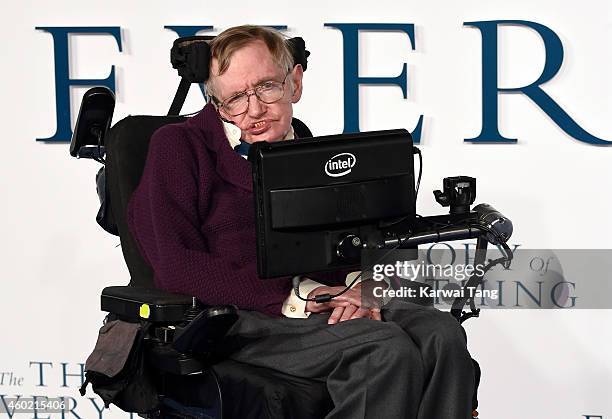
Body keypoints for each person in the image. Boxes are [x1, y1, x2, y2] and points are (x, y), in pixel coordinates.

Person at [127, 25, 475, 419]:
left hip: (327, 299)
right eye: (236, 98)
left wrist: (366, 286)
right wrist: (301, 297)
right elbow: (176, 265)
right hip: (242, 315)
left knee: (442, 335)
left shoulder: (313, 153)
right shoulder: (179, 147)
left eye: (266, 88)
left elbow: (356, 244)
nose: (254, 110)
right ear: (216, 104)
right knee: (383, 350)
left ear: (294, 83)